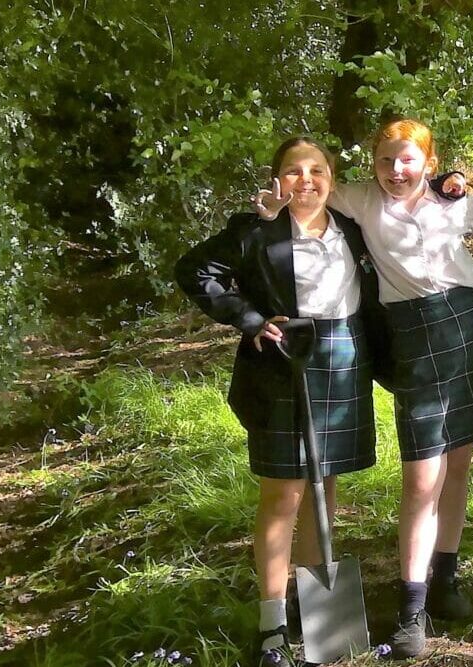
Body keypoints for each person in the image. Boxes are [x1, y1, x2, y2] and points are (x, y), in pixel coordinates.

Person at [256, 119, 473, 657]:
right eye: (386, 160)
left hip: (466, 321)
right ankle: (412, 609)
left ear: (428, 163)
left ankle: (445, 579)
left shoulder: (453, 204)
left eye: (408, 160)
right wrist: (269, 205)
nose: (395, 170)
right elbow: (309, 184)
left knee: (457, 463)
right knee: (421, 474)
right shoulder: (361, 200)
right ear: (373, 165)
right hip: (412, 334)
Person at [178, 137, 387, 664]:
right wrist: (250, 321)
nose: (306, 180)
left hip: (344, 357)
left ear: (332, 179)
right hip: (281, 363)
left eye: (317, 170)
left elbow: (414, 204)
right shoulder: (257, 230)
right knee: (283, 494)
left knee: (325, 486)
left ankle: (314, 611)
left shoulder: (354, 229)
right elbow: (194, 270)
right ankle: (272, 622)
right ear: (276, 180)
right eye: (294, 171)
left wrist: (451, 184)